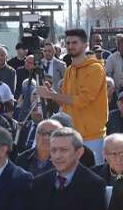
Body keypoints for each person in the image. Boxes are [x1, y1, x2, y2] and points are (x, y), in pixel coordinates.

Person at [36, 29, 108, 157]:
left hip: (92, 137)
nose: (70, 46)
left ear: (85, 45)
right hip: (71, 135)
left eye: (75, 43)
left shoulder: (95, 68)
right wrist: (50, 92)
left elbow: (81, 101)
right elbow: (65, 102)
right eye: (68, 43)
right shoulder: (69, 69)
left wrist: (51, 95)